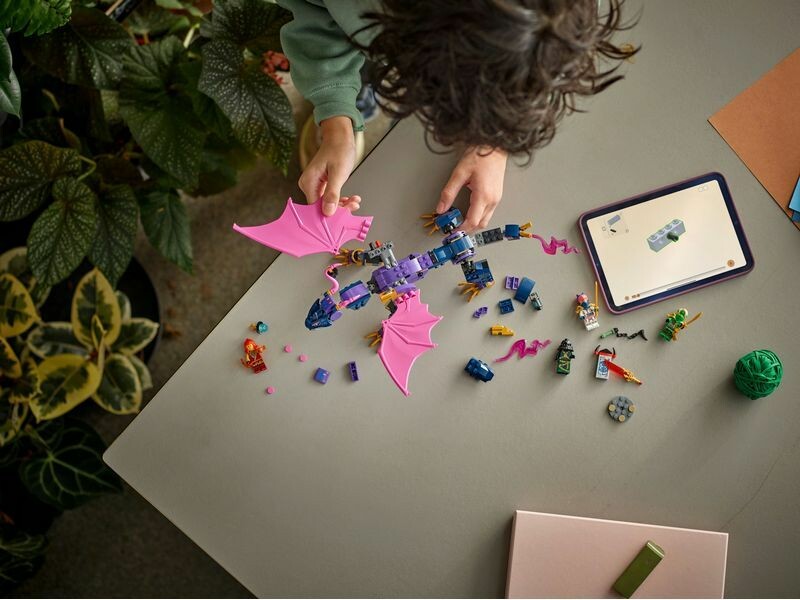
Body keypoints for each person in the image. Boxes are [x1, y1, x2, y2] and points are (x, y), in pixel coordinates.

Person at [278, 0, 637, 231]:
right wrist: (335, 109)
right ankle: (358, 97)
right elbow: (313, 13)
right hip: (361, 33)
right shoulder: (370, 19)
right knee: (362, 77)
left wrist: (493, 143)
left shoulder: (550, 17)